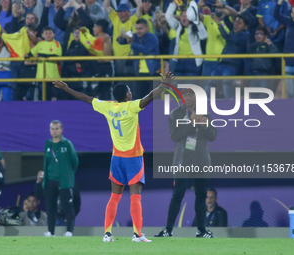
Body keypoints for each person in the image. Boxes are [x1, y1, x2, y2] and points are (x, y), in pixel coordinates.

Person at [52, 71, 175, 243]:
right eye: (130, 91)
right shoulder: (131, 107)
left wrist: (67, 89)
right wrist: (164, 85)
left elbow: (86, 98)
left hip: (116, 158)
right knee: (135, 195)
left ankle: (107, 233)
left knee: (115, 196)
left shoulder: (108, 107)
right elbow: (150, 96)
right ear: (127, 95)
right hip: (133, 157)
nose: (132, 93)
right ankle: (137, 235)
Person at [155, 88, 217, 238]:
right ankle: (168, 230)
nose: (188, 97)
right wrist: (191, 124)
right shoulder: (175, 114)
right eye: (185, 95)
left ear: (196, 97)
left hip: (201, 161)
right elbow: (174, 136)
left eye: (191, 95)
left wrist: (204, 124)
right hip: (182, 162)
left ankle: (201, 231)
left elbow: (213, 136)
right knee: (177, 196)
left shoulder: (204, 113)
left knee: (201, 196)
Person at [42, 120, 79, 237]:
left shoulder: (67, 144)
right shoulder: (48, 144)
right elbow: (46, 162)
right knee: (51, 207)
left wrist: (68, 173)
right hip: (50, 180)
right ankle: (50, 231)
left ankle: (69, 231)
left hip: (64, 181)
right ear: (50, 131)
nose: (54, 131)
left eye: (57, 128)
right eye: (52, 129)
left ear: (61, 130)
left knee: (68, 206)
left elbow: (75, 161)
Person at [207, 2, 249, 99]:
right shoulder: (235, 31)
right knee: (210, 84)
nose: (236, 24)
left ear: (245, 26)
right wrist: (225, 15)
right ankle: (204, 104)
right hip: (221, 64)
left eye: (239, 23)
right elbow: (229, 22)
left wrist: (218, 23)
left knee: (226, 86)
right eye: (236, 22)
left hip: (232, 66)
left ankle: (230, 105)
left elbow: (227, 37)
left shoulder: (244, 36)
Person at [118, 18, 160, 99]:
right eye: (136, 29)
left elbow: (145, 50)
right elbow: (121, 42)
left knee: (155, 98)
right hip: (140, 72)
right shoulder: (135, 37)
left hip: (153, 72)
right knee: (138, 98)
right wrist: (120, 37)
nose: (138, 31)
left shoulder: (153, 38)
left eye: (140, 28)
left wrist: (132, 43)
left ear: (147, 28)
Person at [165, 1, 207, 77]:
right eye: (182, 16)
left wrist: (197, 21)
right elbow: (168, 16)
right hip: (179, 60)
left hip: (193, 61)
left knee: (190, 86)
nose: (183, 18)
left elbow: (204, 36)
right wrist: (174, 3)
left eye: (186, 16)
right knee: (178, 86)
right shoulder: (178, 27)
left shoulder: (196, 27)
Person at [104, 0, 142, 78]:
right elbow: (106, 6)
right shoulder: (116, 19)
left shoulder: (133, 20)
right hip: (117, 57)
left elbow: (140, 6)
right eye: (119, 12)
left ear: (129, 12)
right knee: (119, 80)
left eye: (123, 12)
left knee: (130, 80)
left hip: (130, 57)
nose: (120, 14)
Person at [274, 0, 294, 98]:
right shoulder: (289, 22)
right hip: (288, 61)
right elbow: (276, 15)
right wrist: (279, 3)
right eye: (292, 12)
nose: (293, 14)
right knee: (289, 91)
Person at [24, 26, 62, 101]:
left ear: (54, 34)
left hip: (53, 76)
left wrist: (43, 55)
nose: (48, 35)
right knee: (43, 97)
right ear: (42, 35)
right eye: (46, 33)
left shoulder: (56, 44)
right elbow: (32, 53)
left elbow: (57, 55)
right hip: (41, 76)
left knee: (55, 97)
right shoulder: (40, 44)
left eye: (50, 33)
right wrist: (27, 55)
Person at [246, 26, 280, 98]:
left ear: (266, 36)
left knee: (265, 97)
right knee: (253, 98)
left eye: (260, 34)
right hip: (253, 74)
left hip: (265, 74)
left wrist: (271, 45)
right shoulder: (253, 46)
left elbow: (277, 55)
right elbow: (247, 60)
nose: (257, 36)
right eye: (256, 34)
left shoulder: (269, 45)